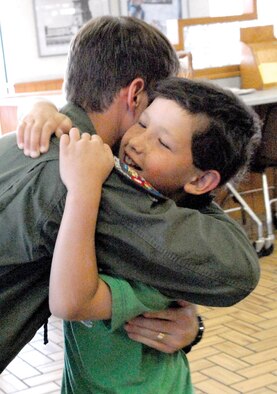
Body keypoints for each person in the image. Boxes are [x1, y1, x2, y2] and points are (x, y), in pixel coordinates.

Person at [0, 16, 260, 373]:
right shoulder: (83, 179)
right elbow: (235, 271)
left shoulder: (26, 144)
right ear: (136, 95)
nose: (141, 141)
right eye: (146, 119)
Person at [50, 76, 261, 393]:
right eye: (142, 122)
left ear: (201, 181)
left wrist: (83, 190)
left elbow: (71, 303)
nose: (136, 142)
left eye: (163, 142)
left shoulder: (166, 252)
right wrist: (45, 113)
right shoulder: (123, 182)